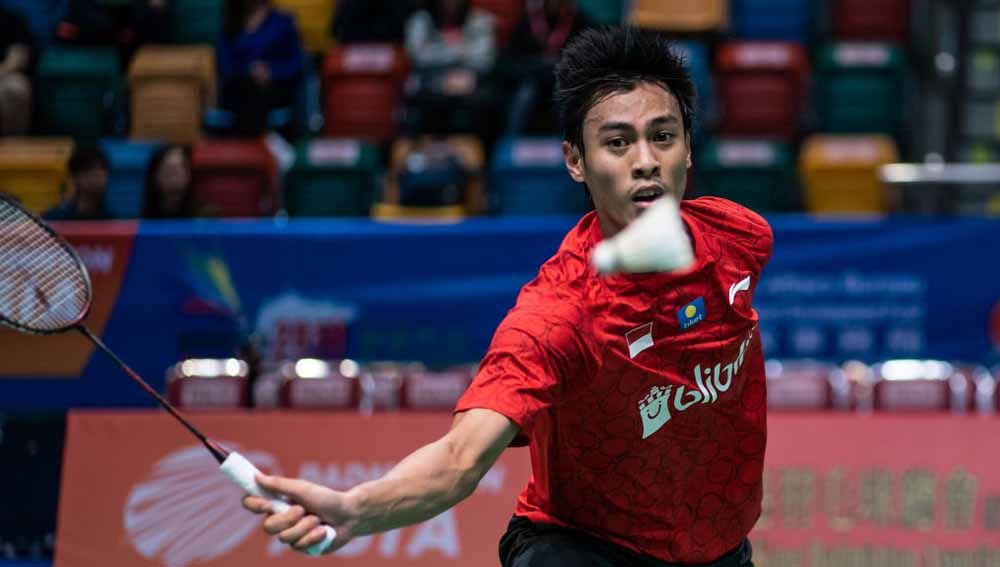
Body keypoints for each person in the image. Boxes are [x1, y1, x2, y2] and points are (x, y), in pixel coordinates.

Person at [242, 26, 772, 567]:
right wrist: (359, 508)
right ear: (575, 161)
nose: (645, 160)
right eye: (617, 142)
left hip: (718, 551)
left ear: (688, 149)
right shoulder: (560, 318)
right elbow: (460, 458)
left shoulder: (738, 238)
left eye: (663, 136)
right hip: (585, 548)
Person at [401, 0, 499, 138]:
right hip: (430, 79)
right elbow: (418, 56)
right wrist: (460, 51)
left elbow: (484, 59)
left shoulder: (481, 19)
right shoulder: (420, 20)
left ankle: (474, 149)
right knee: (417, 95)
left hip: (470, 79)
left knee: (487, 98)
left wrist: (441, 51)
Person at [217, 0, 305, 136]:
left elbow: (297, 64)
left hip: (275, 88)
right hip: (239, 89)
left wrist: (272, 71)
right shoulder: (230, 22)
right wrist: (250, 71)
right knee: (243, 92)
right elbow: (224, 65)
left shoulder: (283, 21)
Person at [504, 0, 589, 134]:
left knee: (568, 97)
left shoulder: (578, 21)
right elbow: (513, 58)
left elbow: (584, 59)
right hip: (531, 78)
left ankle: (569, 142)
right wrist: (535, 66)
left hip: (564, 80)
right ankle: (510, 142)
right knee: (524, 95)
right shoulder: (528, 20)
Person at [44, 146, 113, 221]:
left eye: (102, 171)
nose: (98, 177)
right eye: (90, 171)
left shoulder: (114, 220)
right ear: (75, 177)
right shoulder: (54, 219)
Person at [0, 6, 35, 136]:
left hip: (4, 76)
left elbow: (19, 56)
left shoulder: (8, 19)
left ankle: (12, 148)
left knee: (16, 87)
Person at [142, 144, 197, 219]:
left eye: (177, 172)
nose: (173, 179)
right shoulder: (138, 219)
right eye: (168, 172)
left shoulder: (204, 219)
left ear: (189, 174)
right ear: (155, 176)